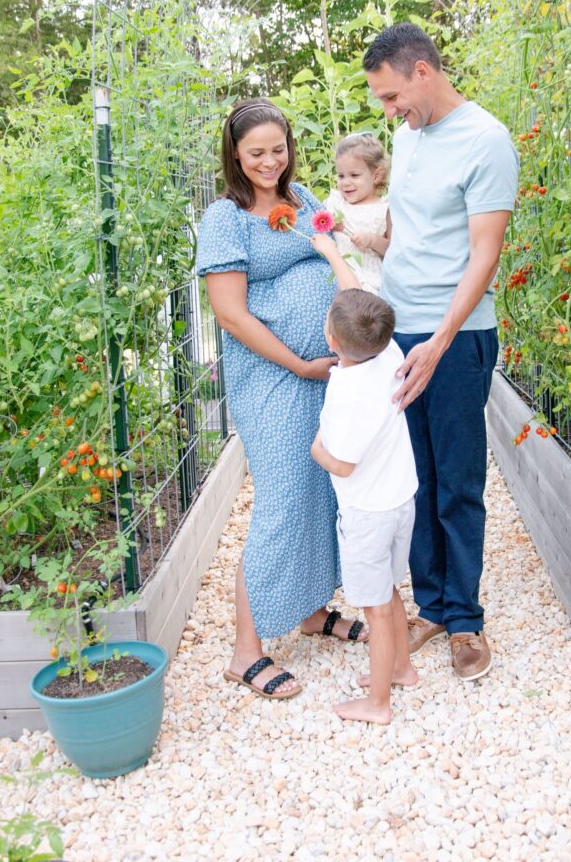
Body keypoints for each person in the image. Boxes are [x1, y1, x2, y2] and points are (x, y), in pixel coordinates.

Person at [196, 98, 367, 702]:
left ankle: (311, 610)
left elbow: (339, 250)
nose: (270, 162)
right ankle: (245, 650)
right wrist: (299, 363)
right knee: (281, 499)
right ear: (235, 157)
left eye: (279, 149)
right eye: (256, 153)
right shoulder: (226, 218)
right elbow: (231, 315)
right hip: (273, 378)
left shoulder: (306, 202)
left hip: (325, 375)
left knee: (321, 489)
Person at [362, 23, 519, 681]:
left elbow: (485, 253)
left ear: (423, 71)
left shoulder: (486, 140)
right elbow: (411, 223)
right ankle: (429, 602)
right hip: (398, 329)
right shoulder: (407, 133)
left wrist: (438, 341)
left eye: (393, 95)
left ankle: (463, 620)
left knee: (456, 481)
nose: (388, 111)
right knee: (413, 476)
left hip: (454, 337)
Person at [311, 288, 419, 725]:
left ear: (331, 340)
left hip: (367, 514)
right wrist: (332, 250)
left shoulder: (346, 393)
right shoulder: (390, 351)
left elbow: (344, 463)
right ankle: (402, 668)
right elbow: (355, 295)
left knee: (374, 607)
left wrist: (316, 449)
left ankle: (378, 703)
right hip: (400, 500)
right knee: (389, 590)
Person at [324, 132, 391, 294]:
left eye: (354, 175)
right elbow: (319, 224)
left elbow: (393, 250)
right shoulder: (337, 202)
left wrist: (373, 240)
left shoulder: (383, 209)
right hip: (336, 273)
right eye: (341, 176)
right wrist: (331, 224)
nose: (346, 182)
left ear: (376, 176)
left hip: (369, 277)